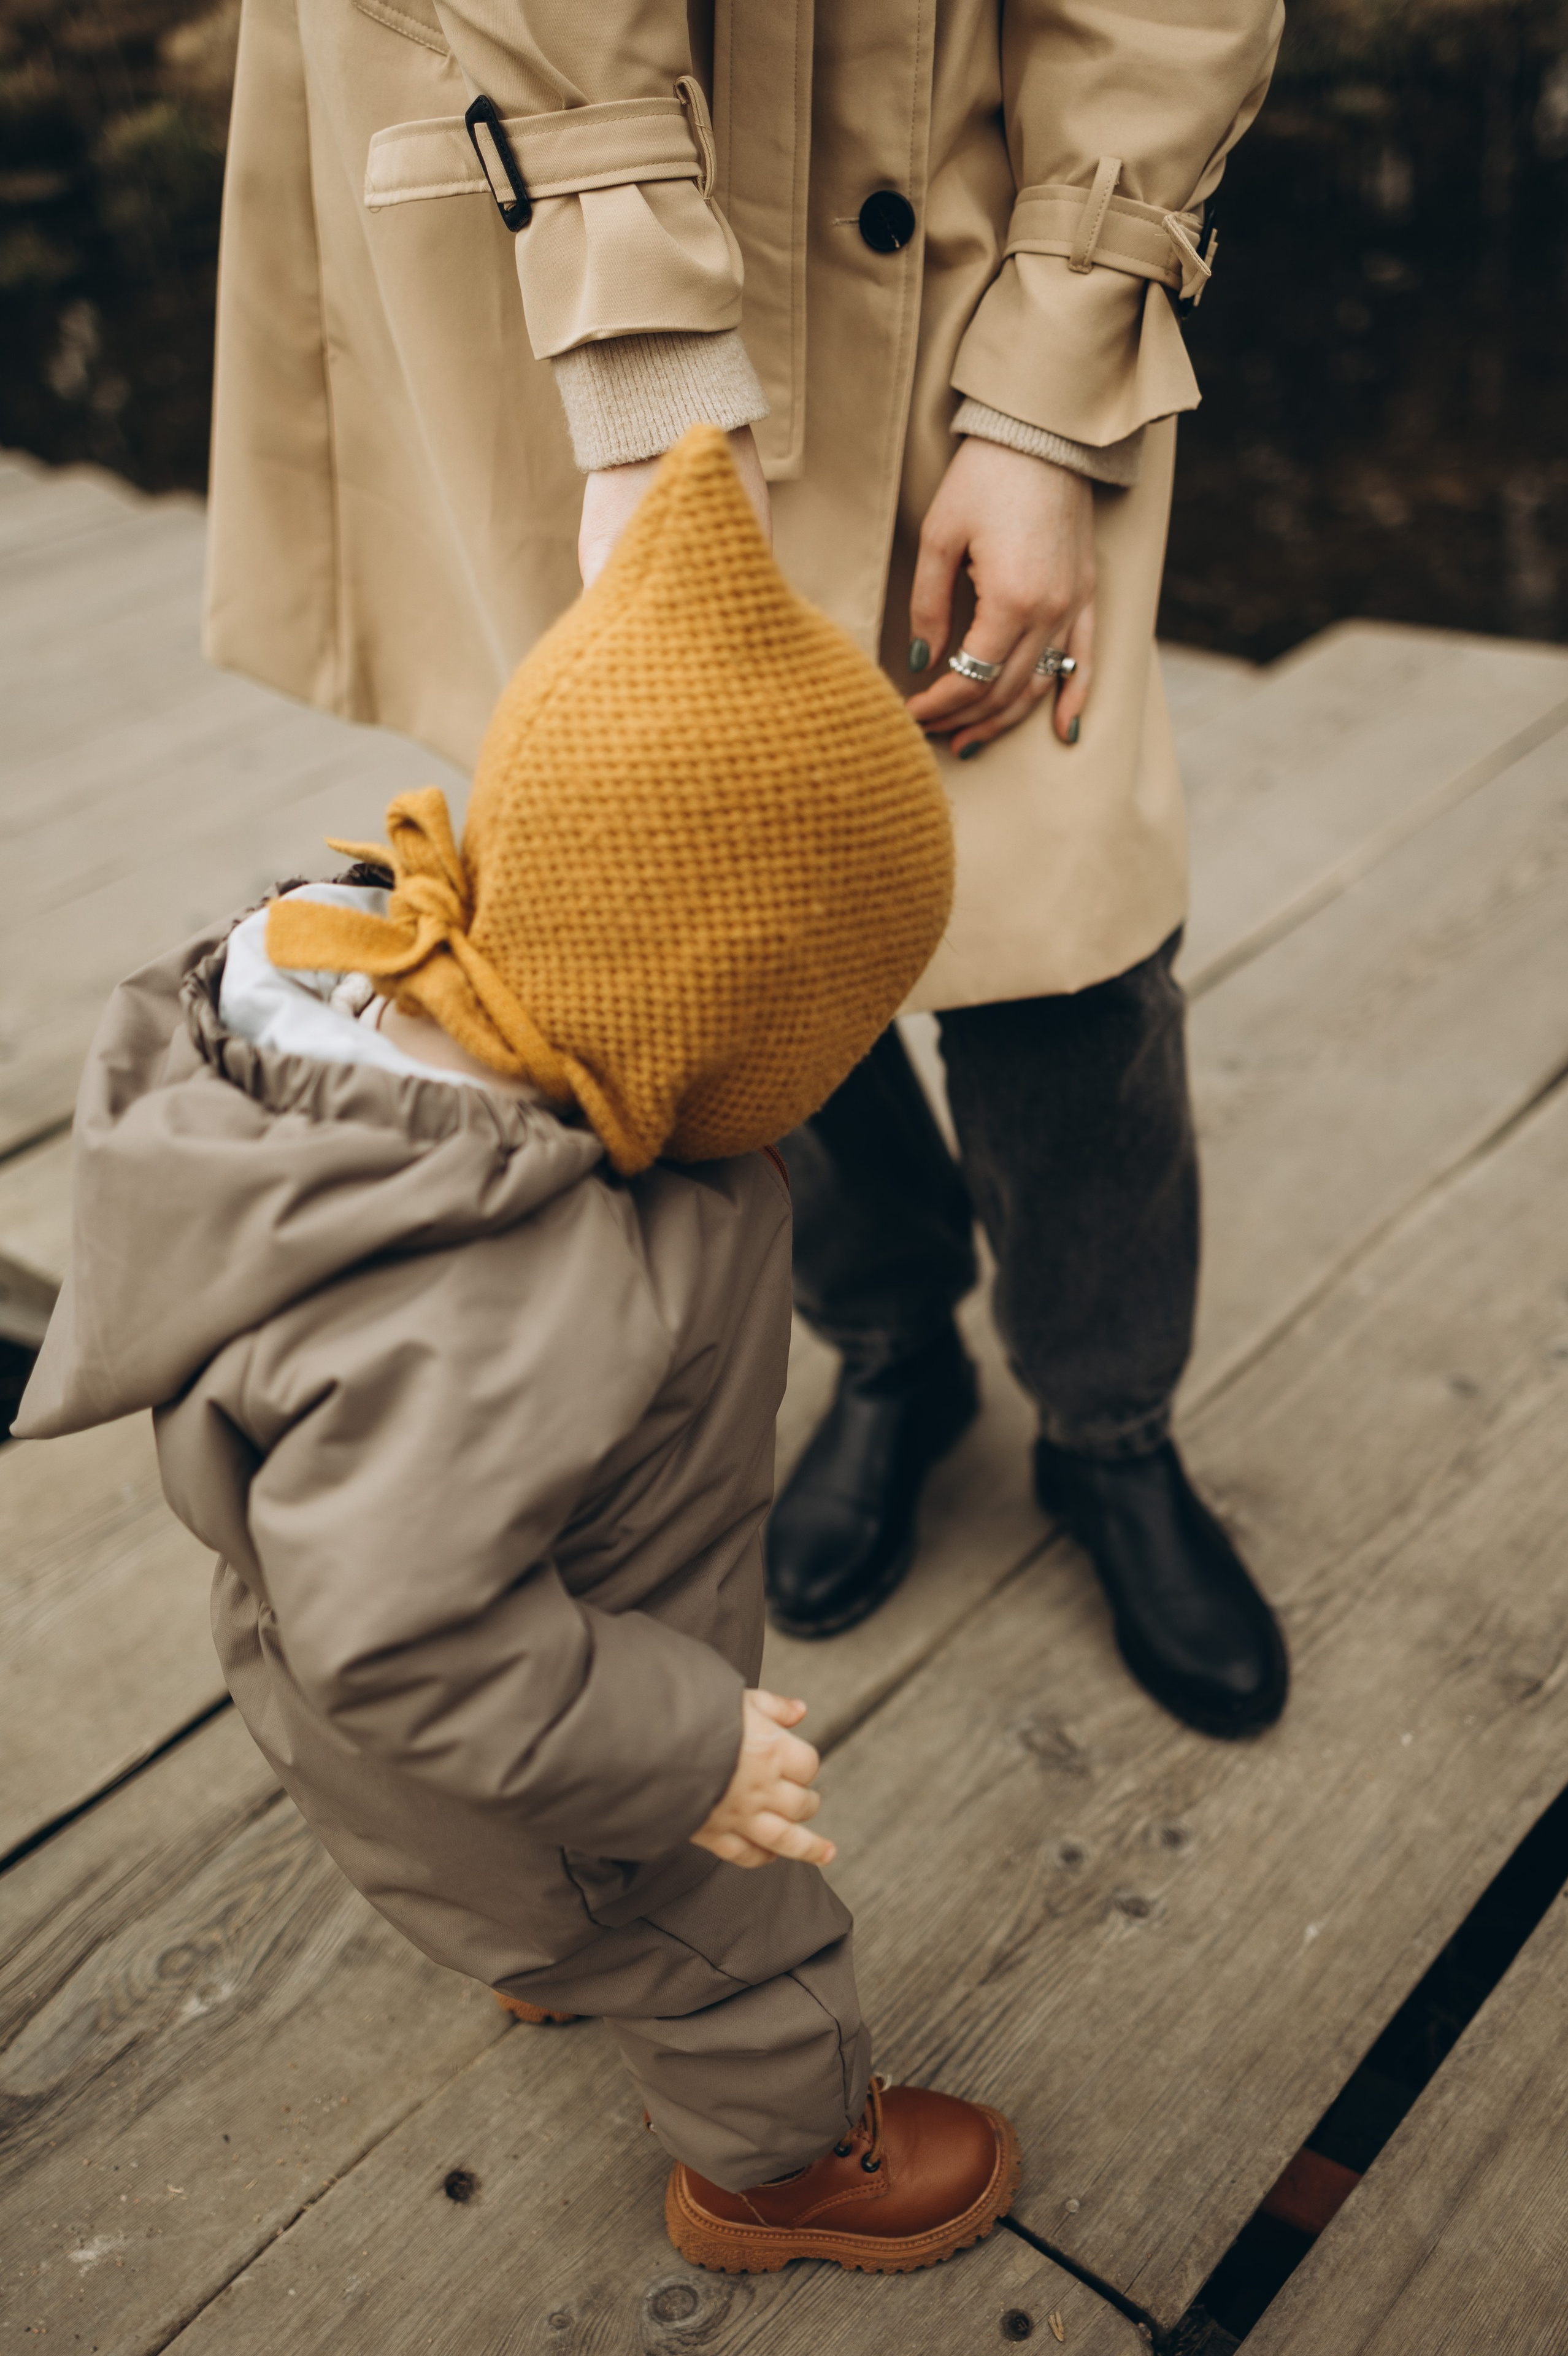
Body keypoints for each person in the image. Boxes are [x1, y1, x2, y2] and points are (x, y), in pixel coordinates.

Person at [202, 0, 1288, 1734]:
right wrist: (641, 370)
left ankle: (1111, 1427)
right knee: (701, 903)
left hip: (967, 182)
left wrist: (1046, 404)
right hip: (540, 190)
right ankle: (890, 1339)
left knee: (1066, 923)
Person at [13, 433, 1021, 2273]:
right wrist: (683, 1752)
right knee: (734, 1933)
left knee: (549, 1872)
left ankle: (547, 1936)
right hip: (523, 1703)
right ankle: (780, 2169)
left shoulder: (378, 1011)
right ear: (715, 1015)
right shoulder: (499, 1287)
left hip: (422, 1679)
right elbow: (411, 1632)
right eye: (823, 1032)